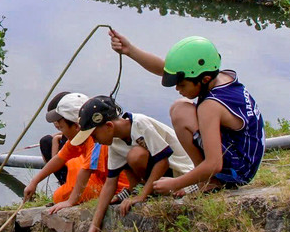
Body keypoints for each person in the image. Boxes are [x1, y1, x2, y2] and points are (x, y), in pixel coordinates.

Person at [108, 29, 265, 195]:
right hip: (245, 157)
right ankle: (205, 178)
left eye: (182, 85)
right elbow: (165, 69)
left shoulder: (210, 106)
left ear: (204, 80)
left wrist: (175, 183)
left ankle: (207, 181)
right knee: (181, 107)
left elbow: (214, 164)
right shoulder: (218, 77)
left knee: (181, 112)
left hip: (239, 170)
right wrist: (130, 50)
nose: (177, 88)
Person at [66, 94, 196, 232]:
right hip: (160, 177)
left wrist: (142, 196)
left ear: (109, 126)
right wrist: (95, 225)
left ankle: (148, 190)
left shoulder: (140, 124)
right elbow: (110, 182)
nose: (94, 141)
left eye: (94, 135)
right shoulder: (114, 142)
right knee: (128, 156)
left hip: (180, 171)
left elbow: (163, 162)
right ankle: (137, 189)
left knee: (135, 155)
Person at [22, 92, 131, 207]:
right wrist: (34, 182)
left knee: (61, 195)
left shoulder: (97, 141)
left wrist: (71, 201)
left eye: (61, 127)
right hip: (104, 181)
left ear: (76, 126)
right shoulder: (79, 138)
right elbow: (59, 158)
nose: (61, 131)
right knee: (61, 194)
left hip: (117, 188)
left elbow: (86, 170)